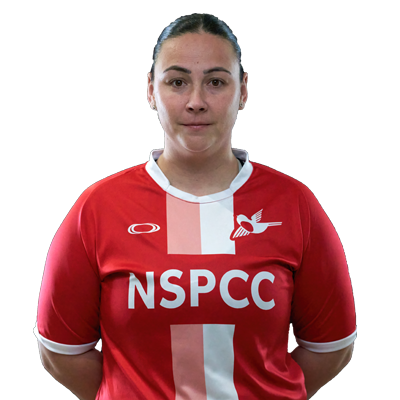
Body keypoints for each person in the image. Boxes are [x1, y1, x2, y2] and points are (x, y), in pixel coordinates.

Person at [34, 13, 357, 400]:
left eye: (216, 82)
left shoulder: (294, 204)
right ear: (151, 91)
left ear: (243, 92)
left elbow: (331, 347)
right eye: (177, 82)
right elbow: (61, 352)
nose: (196, 102)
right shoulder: (98, 207)